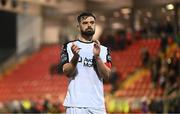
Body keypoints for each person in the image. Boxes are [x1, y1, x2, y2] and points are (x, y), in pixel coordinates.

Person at [60, 12, 112, 114]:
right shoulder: (69, 46)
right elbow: (67, 72)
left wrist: (97, 57)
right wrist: (75, 57)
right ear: (78, 26)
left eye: (92, 22)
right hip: (75, 105)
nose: (89, 25)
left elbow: (107, 76)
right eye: (85, 23)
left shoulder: (104, 50)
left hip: (97, 106)